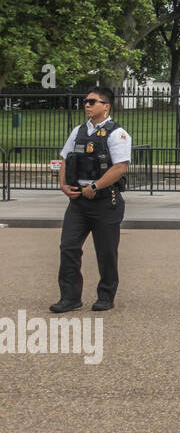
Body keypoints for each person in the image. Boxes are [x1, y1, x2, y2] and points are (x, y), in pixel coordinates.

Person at [51, 86, 132, 313]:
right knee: (68, 247)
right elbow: (66, 159)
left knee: (106, 252)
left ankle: (106, 296)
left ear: (106, 106)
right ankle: (70, 297)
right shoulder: (78, 131)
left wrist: (95, 186)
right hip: (78, 202)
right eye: (85, 101)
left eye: (92, 101)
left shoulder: (118, 134)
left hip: (106, 201)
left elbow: (119, 167)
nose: (86, 104)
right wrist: (64, 184)